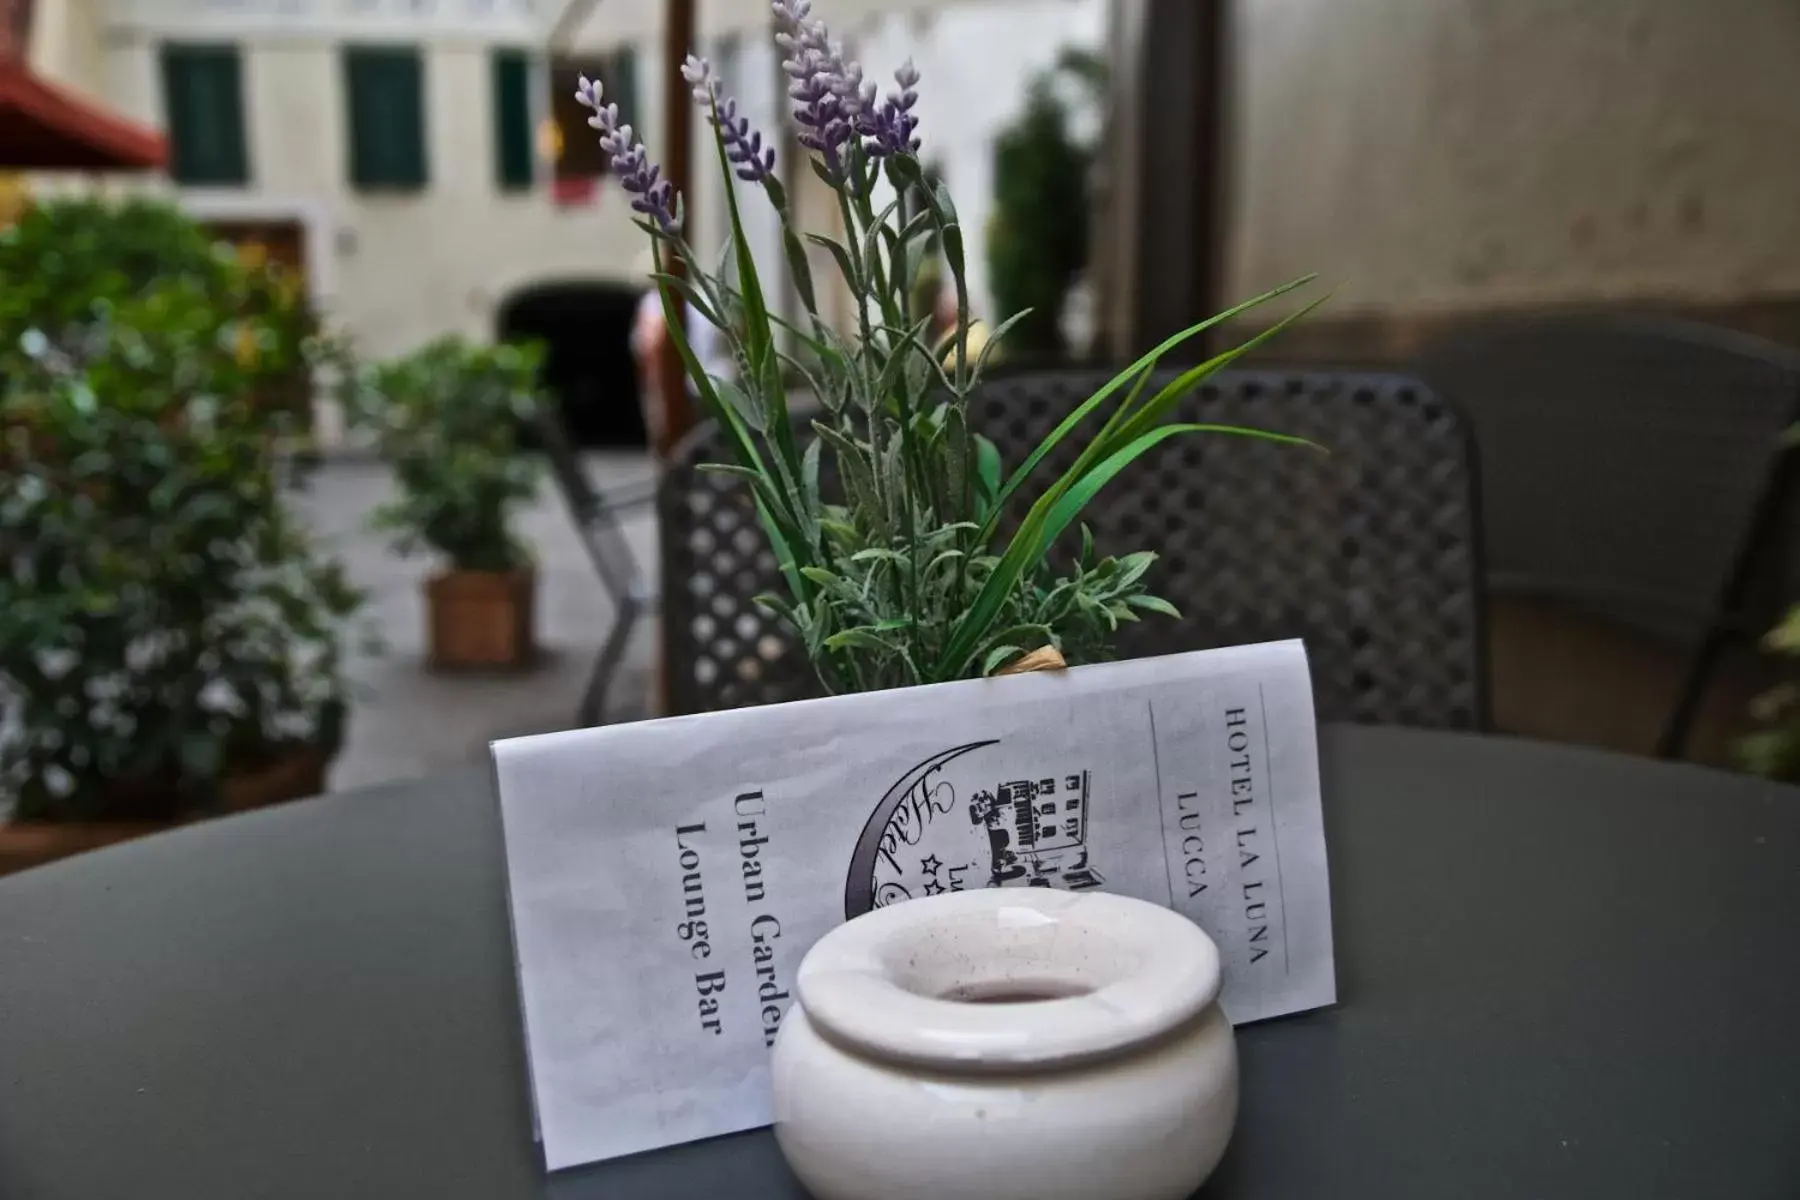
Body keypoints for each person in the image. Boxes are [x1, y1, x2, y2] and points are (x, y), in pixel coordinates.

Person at [629, 248, 730, 458]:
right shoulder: (702, 298)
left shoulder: (653, 304)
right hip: (713, 381)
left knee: (674, 445)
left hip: (674, 383)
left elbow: (648, 348)